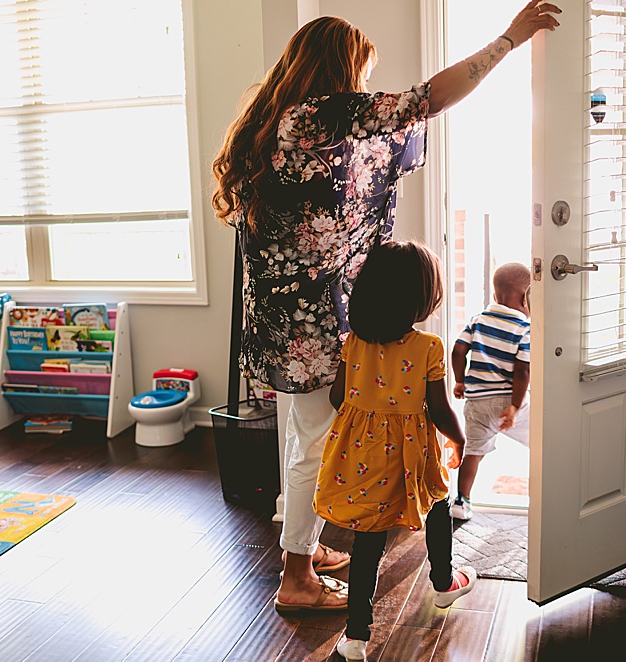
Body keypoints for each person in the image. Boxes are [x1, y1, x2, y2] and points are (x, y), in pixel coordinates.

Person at [211, 1, 559, 613]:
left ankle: (305, 544)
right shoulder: (326, 113)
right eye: (363, 72)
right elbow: (430, 97)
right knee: (318, 443)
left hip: (280, 315)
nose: (366, 87)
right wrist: (510, 38)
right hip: (313, 323)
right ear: (341, 67)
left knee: (301, 436)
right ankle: (296, 577)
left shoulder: (279, 122)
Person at [313, 242, 474, 660]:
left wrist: (366, 419)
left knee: (367, 541)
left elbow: (337, 396)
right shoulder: (428, 347)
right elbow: (439, 409)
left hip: (362, 453)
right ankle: (443, 584)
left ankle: (355, 638)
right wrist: (458, 439)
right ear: (420, 298)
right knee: (437, 503)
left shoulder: (354, 342)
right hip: (414, 450)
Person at [450, 262, 532, 521]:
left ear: (496, 296)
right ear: (524, 298)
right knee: (542, 441)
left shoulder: (478, 320)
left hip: (478, 402)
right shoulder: (523, 329)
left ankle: (461, 502)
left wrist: (460, 381)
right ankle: (546, 492)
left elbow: (458, 350)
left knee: (473, 451)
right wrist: (515, 406)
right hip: (508, 400)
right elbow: (522, 371)